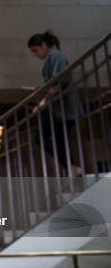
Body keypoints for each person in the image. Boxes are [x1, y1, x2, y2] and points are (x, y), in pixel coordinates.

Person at [28, 31, 85, 174]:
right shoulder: (53, 56)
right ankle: (71, 167)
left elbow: (59, 81)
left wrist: (44, 101)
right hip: (59, 106)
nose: (36, 54)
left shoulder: (55, 55)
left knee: (45, 137)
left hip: (62, 106)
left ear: (44, 45)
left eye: (36, 50)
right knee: (57, 139)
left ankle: (71, 167)